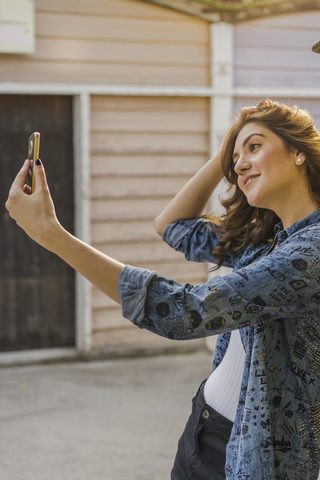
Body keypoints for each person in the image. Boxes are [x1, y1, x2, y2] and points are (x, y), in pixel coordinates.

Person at [5, 99, 320, 480]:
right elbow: (171, 225)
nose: (237, 166)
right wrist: (226, 151)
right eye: (233, 157)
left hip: (254, 457)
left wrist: (52, 235)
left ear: (299, 152)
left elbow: (187, 311)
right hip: (204, 426)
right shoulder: (267, 239)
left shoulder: (309, 252)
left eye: (254, 146)